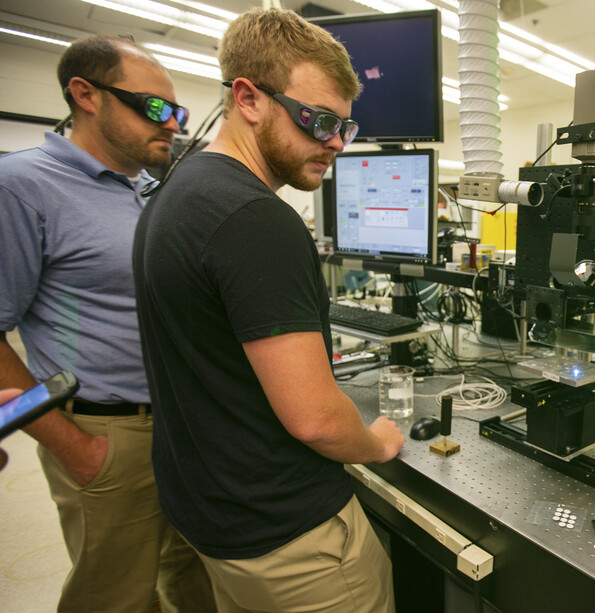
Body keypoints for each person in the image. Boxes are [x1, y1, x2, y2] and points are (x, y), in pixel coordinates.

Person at [133, 8, 405, 612]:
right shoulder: (256, 219)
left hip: (215, 518)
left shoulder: (175, 191)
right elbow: (315, 420)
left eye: (346, 127)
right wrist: (377, 441)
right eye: (318, 120)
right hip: (292, 541)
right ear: (249, 98)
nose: (335, 142)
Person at [0, 35, 214, 612]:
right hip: (106, 432)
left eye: (179, 112)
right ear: (85, 94)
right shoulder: (22, 186)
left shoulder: (148, 190)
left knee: (192, 581)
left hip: (181, 427)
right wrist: (73, 447)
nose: (172, 124)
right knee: (114, 597)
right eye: (155, 108)